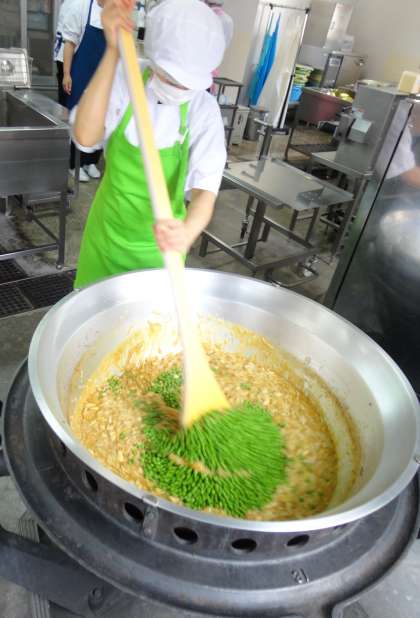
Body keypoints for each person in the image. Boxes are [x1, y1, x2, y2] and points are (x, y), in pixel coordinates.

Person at [72, 0, 227, 289]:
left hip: (161, 250)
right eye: (171, 77)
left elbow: (205, 191)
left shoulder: (203, 110)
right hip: (108, 235)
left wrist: (187, 232)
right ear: (154, 58)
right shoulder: (126, 76)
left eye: (188, 83)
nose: (179, 88)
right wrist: (113, 52)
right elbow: (85, 136)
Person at [62, 0, 106, 182]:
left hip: (104, 76)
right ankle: (74, 164)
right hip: (82, 73)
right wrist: (66, 74)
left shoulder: (115, 12)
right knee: (78, 115)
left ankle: (90, 161)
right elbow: (69, 43)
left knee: (102, 117)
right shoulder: (82, 7)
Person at [54, 0, 73, 106]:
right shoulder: (76, 4)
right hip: (66, 56)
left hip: (62, 54)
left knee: (64, 98)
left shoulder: (68, 3)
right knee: (66, 99)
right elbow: (71, 38)